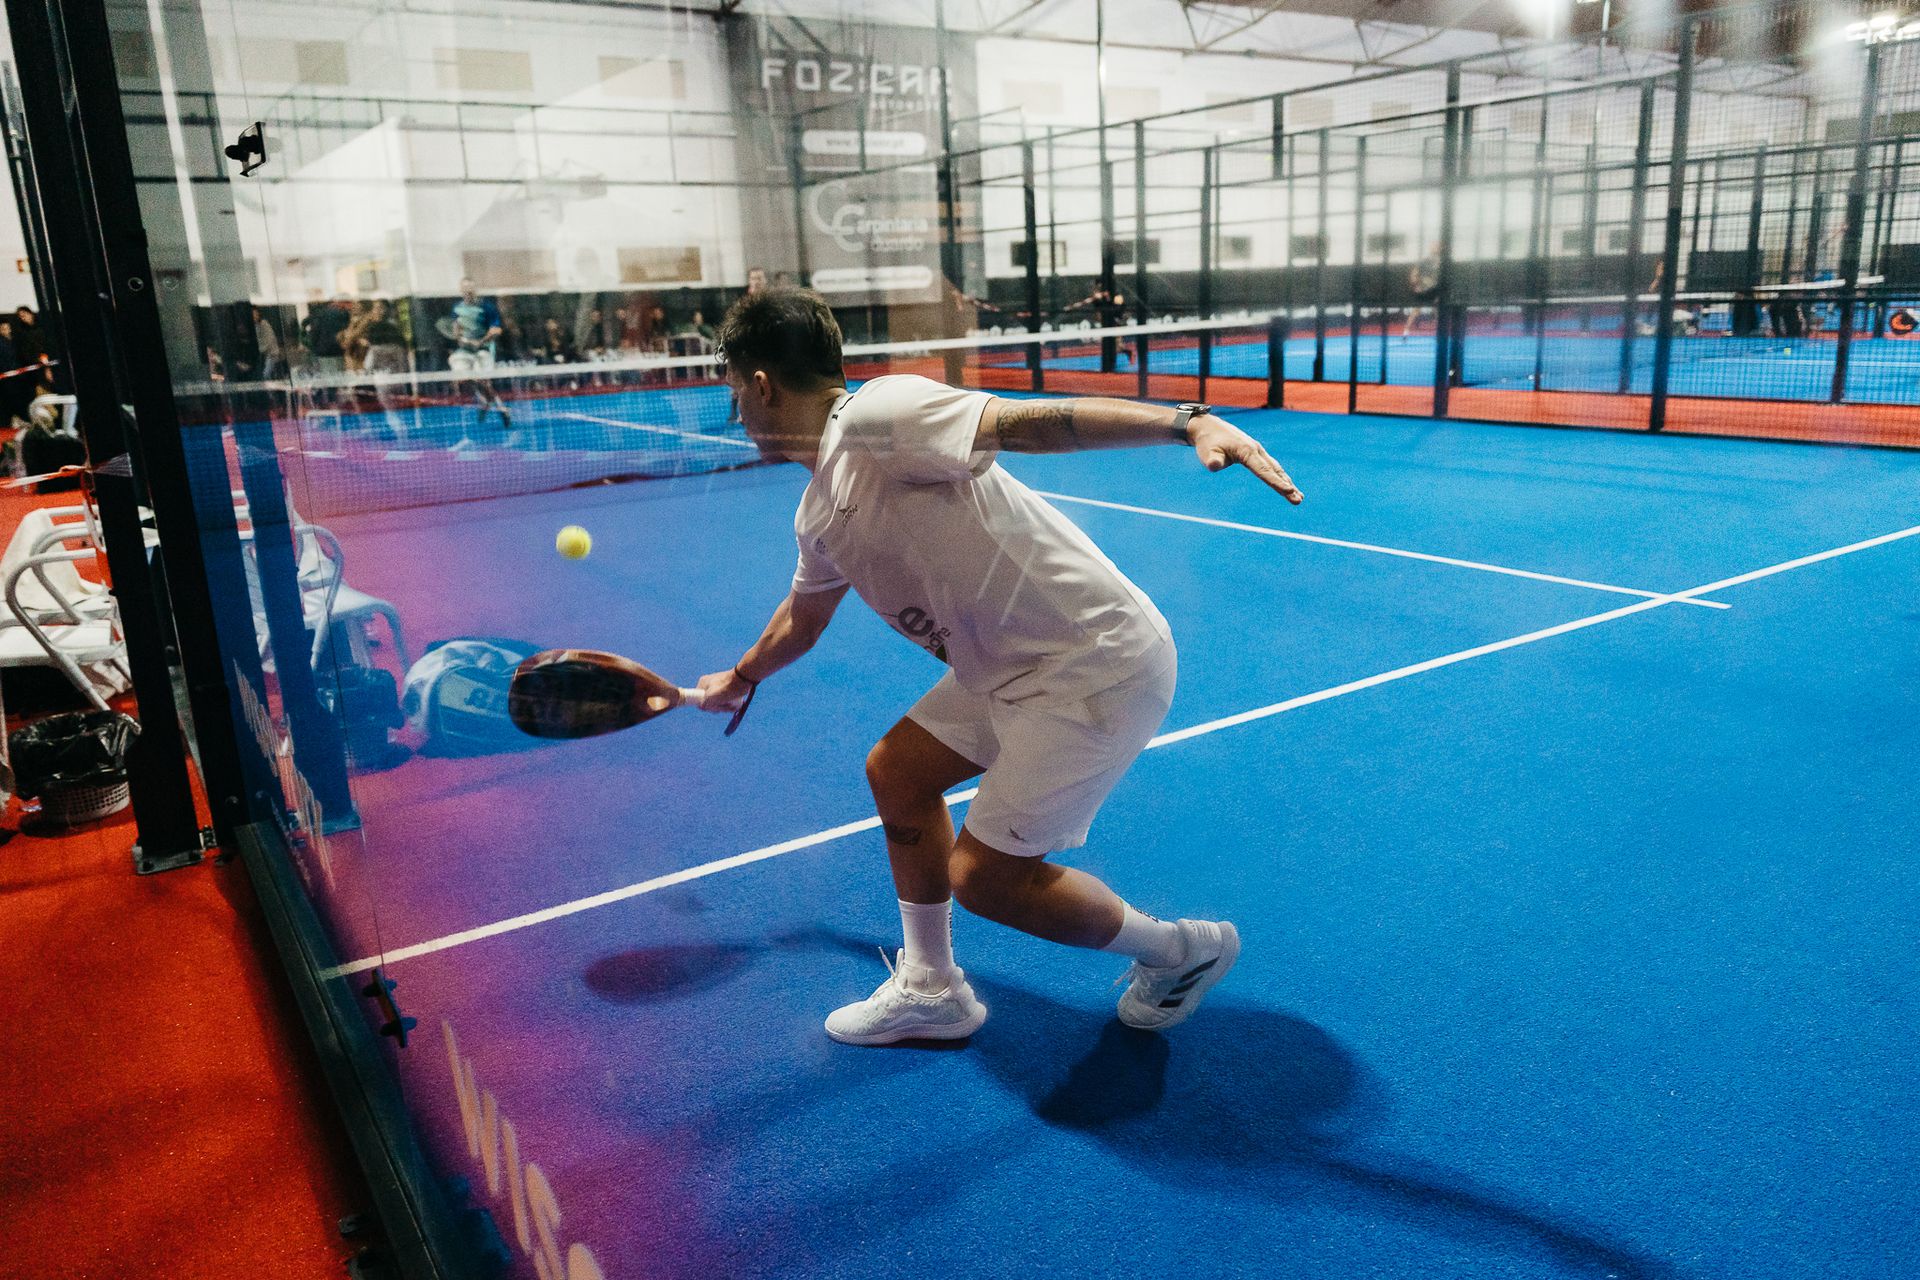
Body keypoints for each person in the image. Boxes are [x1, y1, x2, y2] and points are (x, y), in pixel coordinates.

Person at [696, 289, 1303, 1046]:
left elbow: (1026, 422)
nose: (734, 408)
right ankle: (931, 988)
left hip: (1093, 660)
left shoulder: (881, 417)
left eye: (731, 389)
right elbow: (802, 617)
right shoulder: (818, 511)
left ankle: (1183, 951)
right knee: (900, 772)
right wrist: (743, 676)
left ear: (760, 383)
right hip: (1008, 666)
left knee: (987, 880)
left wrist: (1187, 421)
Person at [447, 276, 511, 442]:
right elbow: (456, 331)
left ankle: (502, 409)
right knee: (463, 379)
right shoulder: (457, 308)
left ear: (475, 290)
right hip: (464, 351)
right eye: (465, 289)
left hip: (484, 349)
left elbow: (496, 330)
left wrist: (480, 342)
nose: (468, 291)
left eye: (471, 288)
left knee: (484, 382)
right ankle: (484, 401)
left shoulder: (487, 307)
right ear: (461, 291)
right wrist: (459, 337)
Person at [1402, 245, 1439, 339]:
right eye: (1435, 247)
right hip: (1423, 290)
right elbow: (1414, 274)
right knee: (1416, 311)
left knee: (1437, 309)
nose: (1437, 249)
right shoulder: (1424, 261)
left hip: (1433, 290)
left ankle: (1440, 331)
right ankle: (1405, 332)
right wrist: (1416, 286)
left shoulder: (1440, 262)